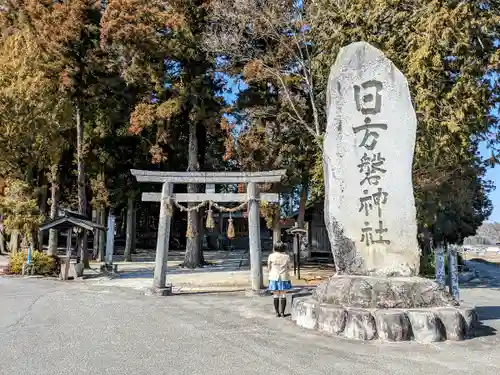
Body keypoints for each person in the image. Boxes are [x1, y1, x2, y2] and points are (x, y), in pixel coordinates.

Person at [267, 241, 292, 317]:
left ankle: (277, 313)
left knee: (276, 295)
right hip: (284, 277)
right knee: (283, 294)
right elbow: (290, 268)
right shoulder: (286, 256)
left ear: (275, 247)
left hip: (274, 277)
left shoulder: (271, 256)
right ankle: (282, 313)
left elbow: (269, 267)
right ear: (283, 248)